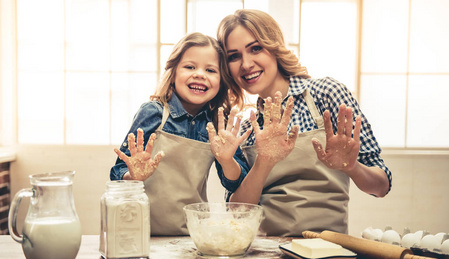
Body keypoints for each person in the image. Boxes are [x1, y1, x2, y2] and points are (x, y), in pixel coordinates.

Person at [215, 9, 392, 236]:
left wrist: (352, 167)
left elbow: (381, 187)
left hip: (328, 253)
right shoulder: (246, 129)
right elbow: (238, 212)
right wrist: (264, 162)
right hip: (265, 257)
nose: (246, 64)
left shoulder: (326, 95)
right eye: (234, 56)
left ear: (274, 46)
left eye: (255, 48)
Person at [110, 32, 251, 235]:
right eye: (190, 67)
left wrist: (228, 160)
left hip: (192, 235)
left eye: (210, 70)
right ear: (173, 72)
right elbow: (117, 174)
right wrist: (133, 176)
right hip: (139, 231)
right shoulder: (153, 112)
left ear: (222, 81)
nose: (200, 74)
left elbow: (234, 183)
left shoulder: (217, 124)